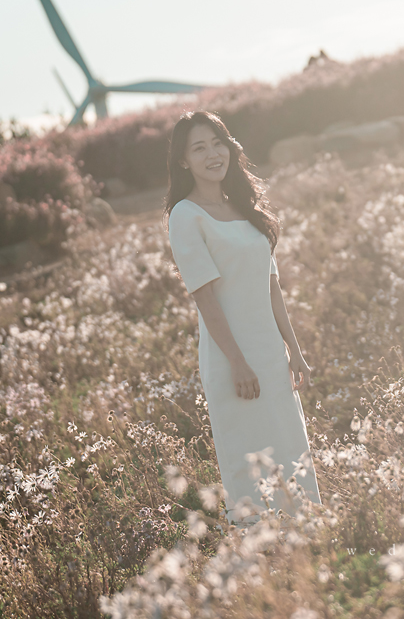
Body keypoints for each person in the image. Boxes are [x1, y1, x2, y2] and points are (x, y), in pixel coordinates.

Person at [166, 111, 321, 524]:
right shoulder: (185, 215)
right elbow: (206, 299)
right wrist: (237, 361)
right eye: (199, 148)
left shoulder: (244, 208)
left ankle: (307, 541)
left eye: (218, 143)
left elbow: (272, 287)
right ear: (183, 160)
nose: (213, 154)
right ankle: (264, 549)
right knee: (250, 455)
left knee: (290, 447)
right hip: (231, 358)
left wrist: (295, 351)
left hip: (270, 353)